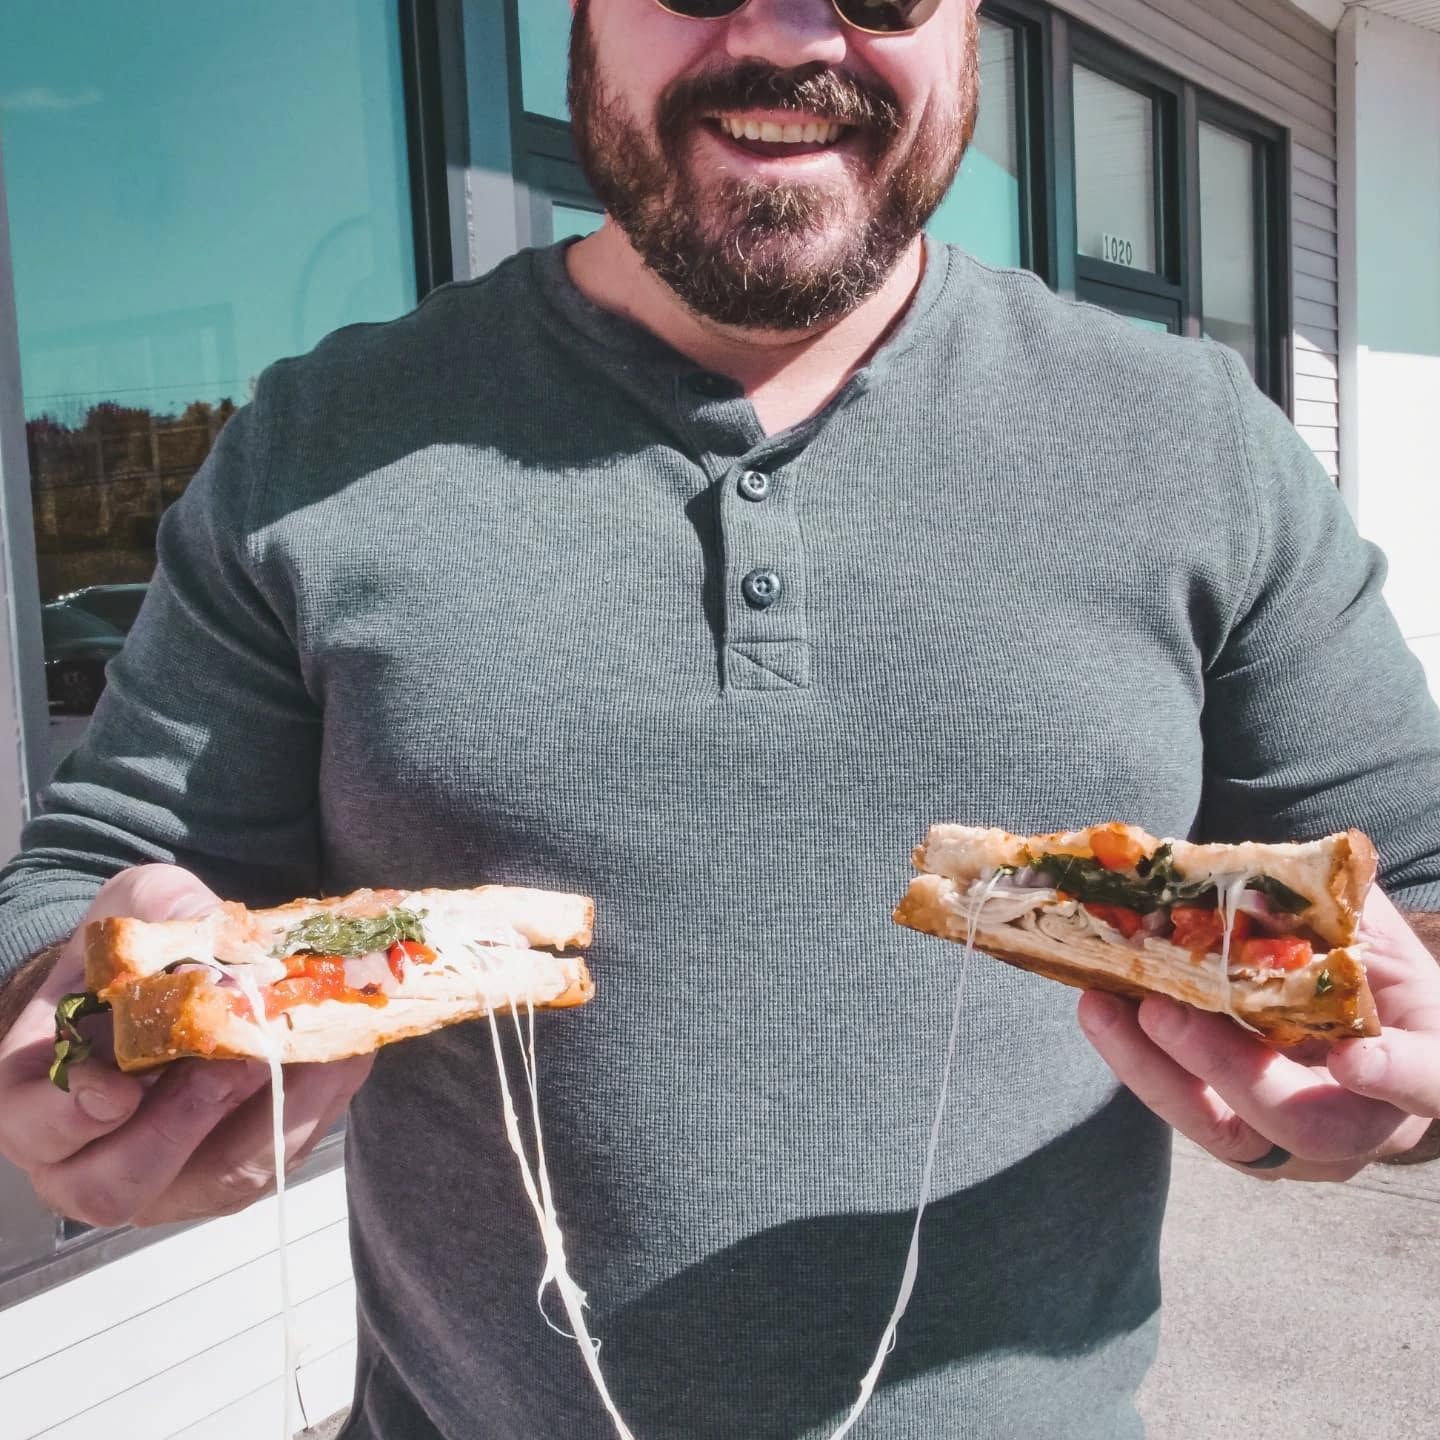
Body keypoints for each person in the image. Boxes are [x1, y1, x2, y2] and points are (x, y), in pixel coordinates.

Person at [2, 0, 1439, 1435]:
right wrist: (57, 1030)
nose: (794, 33)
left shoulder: (1193, 440)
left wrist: (1410, 1078)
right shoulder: (319, 441)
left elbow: (1417, 888)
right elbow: (88, 874)